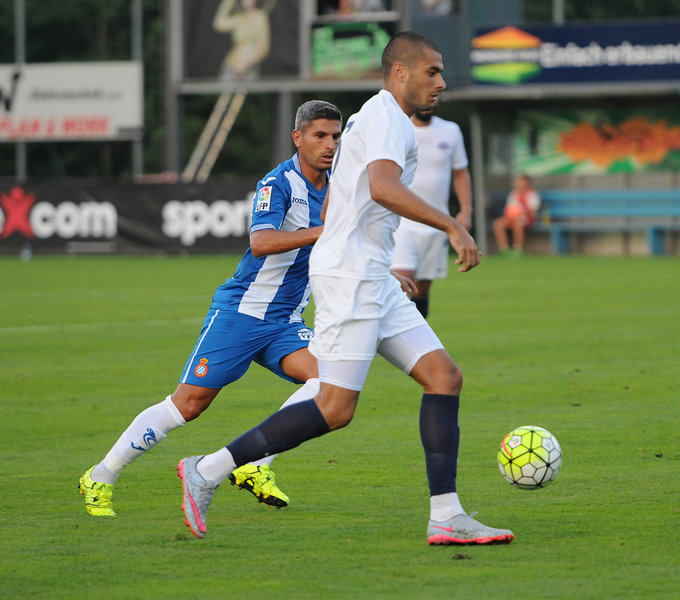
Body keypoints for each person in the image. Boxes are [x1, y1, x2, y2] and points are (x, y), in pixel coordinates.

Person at [176, 31, 514, 547]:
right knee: (335, 408)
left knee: (444, 377)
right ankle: (208, 469)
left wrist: (371, 258)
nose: (441, 83)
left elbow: (345, 194)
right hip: (352, 278)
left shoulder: (378, 117)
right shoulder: (385, 118)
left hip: (367, 273)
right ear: (400, 72)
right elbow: (382, 187)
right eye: (432, 72)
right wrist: (451, 224)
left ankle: (446, 516)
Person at [78, 100, 344, 517]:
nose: (329, 145)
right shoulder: (278, 184)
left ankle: (256, 464)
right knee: (187, 405)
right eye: (320, 136)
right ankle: (100, 475)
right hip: (242, 314)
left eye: (335, 137)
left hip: (284, 321)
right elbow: (261, 241)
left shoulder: (340, 187)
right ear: (298, 137)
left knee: (329, 382)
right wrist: (323, 232)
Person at [392, 108, 472, 318]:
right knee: (401, 284)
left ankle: (419, 335)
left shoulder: (450, 130)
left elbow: (460, 172)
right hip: (402, 221)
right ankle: (391, 334)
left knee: (422, 288)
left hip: (437, 223)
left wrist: (466, 210)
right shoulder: (399, 128)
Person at [213, 0, 276, 78]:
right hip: (231, 65)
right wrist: (228, 2)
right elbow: (218, 24)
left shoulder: (260, 17)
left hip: (248, 68)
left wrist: (247, 63)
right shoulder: (239, 18)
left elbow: (264, 47)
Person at [492, 174, 541, 255]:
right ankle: (504, 249)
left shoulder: (532, 194)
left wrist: (520, 213)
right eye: (519, 182)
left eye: (523, 182)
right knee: (498, 223)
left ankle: (517, 249)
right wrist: (512, 214)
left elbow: (533, 211)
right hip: (512, 218)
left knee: (518, 222)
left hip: (526, 219)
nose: (521, 184)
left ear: (528, 183)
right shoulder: (514, 193)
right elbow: (509, 208)